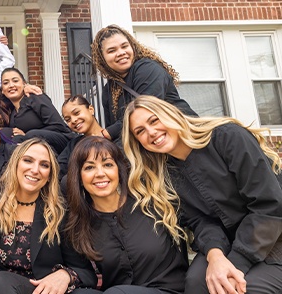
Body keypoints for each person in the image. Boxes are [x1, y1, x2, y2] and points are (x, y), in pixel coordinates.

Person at [123, 95, 282, 294]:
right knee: (196, 282)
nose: (152, 132)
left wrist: (235, 263)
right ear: (139, 143)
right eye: (140, 132)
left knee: (239, 289)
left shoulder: (228, 137)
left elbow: (269, 206)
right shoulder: (165, 175)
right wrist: (215, 256)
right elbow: (200, 221)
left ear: (171, 115)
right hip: (228, 242)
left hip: (274, 235)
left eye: (154, 120)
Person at [0, 138, 97, 294]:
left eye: (44, 165)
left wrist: (64, 274)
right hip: (2, 288)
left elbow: (86, 273)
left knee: (0, 281)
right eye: (28, 161)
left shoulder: (60, 211)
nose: (35, 170)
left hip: (44, 289)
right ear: (15, 165)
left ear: (49, 175)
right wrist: (3, 281)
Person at [65, 136, 188, 294]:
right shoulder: (79, 225)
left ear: (119, 170)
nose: (100, 173)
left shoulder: (150, 203)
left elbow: (198, 221)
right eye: (89, 168)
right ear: (79, 177)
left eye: (108, 165)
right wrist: (65, 275)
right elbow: (84, 274)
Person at [91, 24, 195, 142]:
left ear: (133, 47)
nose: (120, 53)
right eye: (111, 50)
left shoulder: (147, 68)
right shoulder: (109, 89)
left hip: (182, 136)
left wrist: (107, 133)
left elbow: (146, 109)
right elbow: (117, 132)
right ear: (102, 59)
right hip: (147, 143)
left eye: (124, 46)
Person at [1, 67, 73, 154]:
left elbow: (59, 126)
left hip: (62, 140)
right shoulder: (11, 112)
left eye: (15, 81)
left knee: (31, 135)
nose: (11, 85)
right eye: (6, 83)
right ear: (2, 90)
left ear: (24, 84)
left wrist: (28, 135)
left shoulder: (35, 97)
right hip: (36, 148)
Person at [58, 95, 107, 177]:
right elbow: (58, 170)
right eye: (68, 120)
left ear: (91, 109)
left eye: (76, 113)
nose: (73, 120)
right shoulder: (73, 145)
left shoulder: (113, 138)